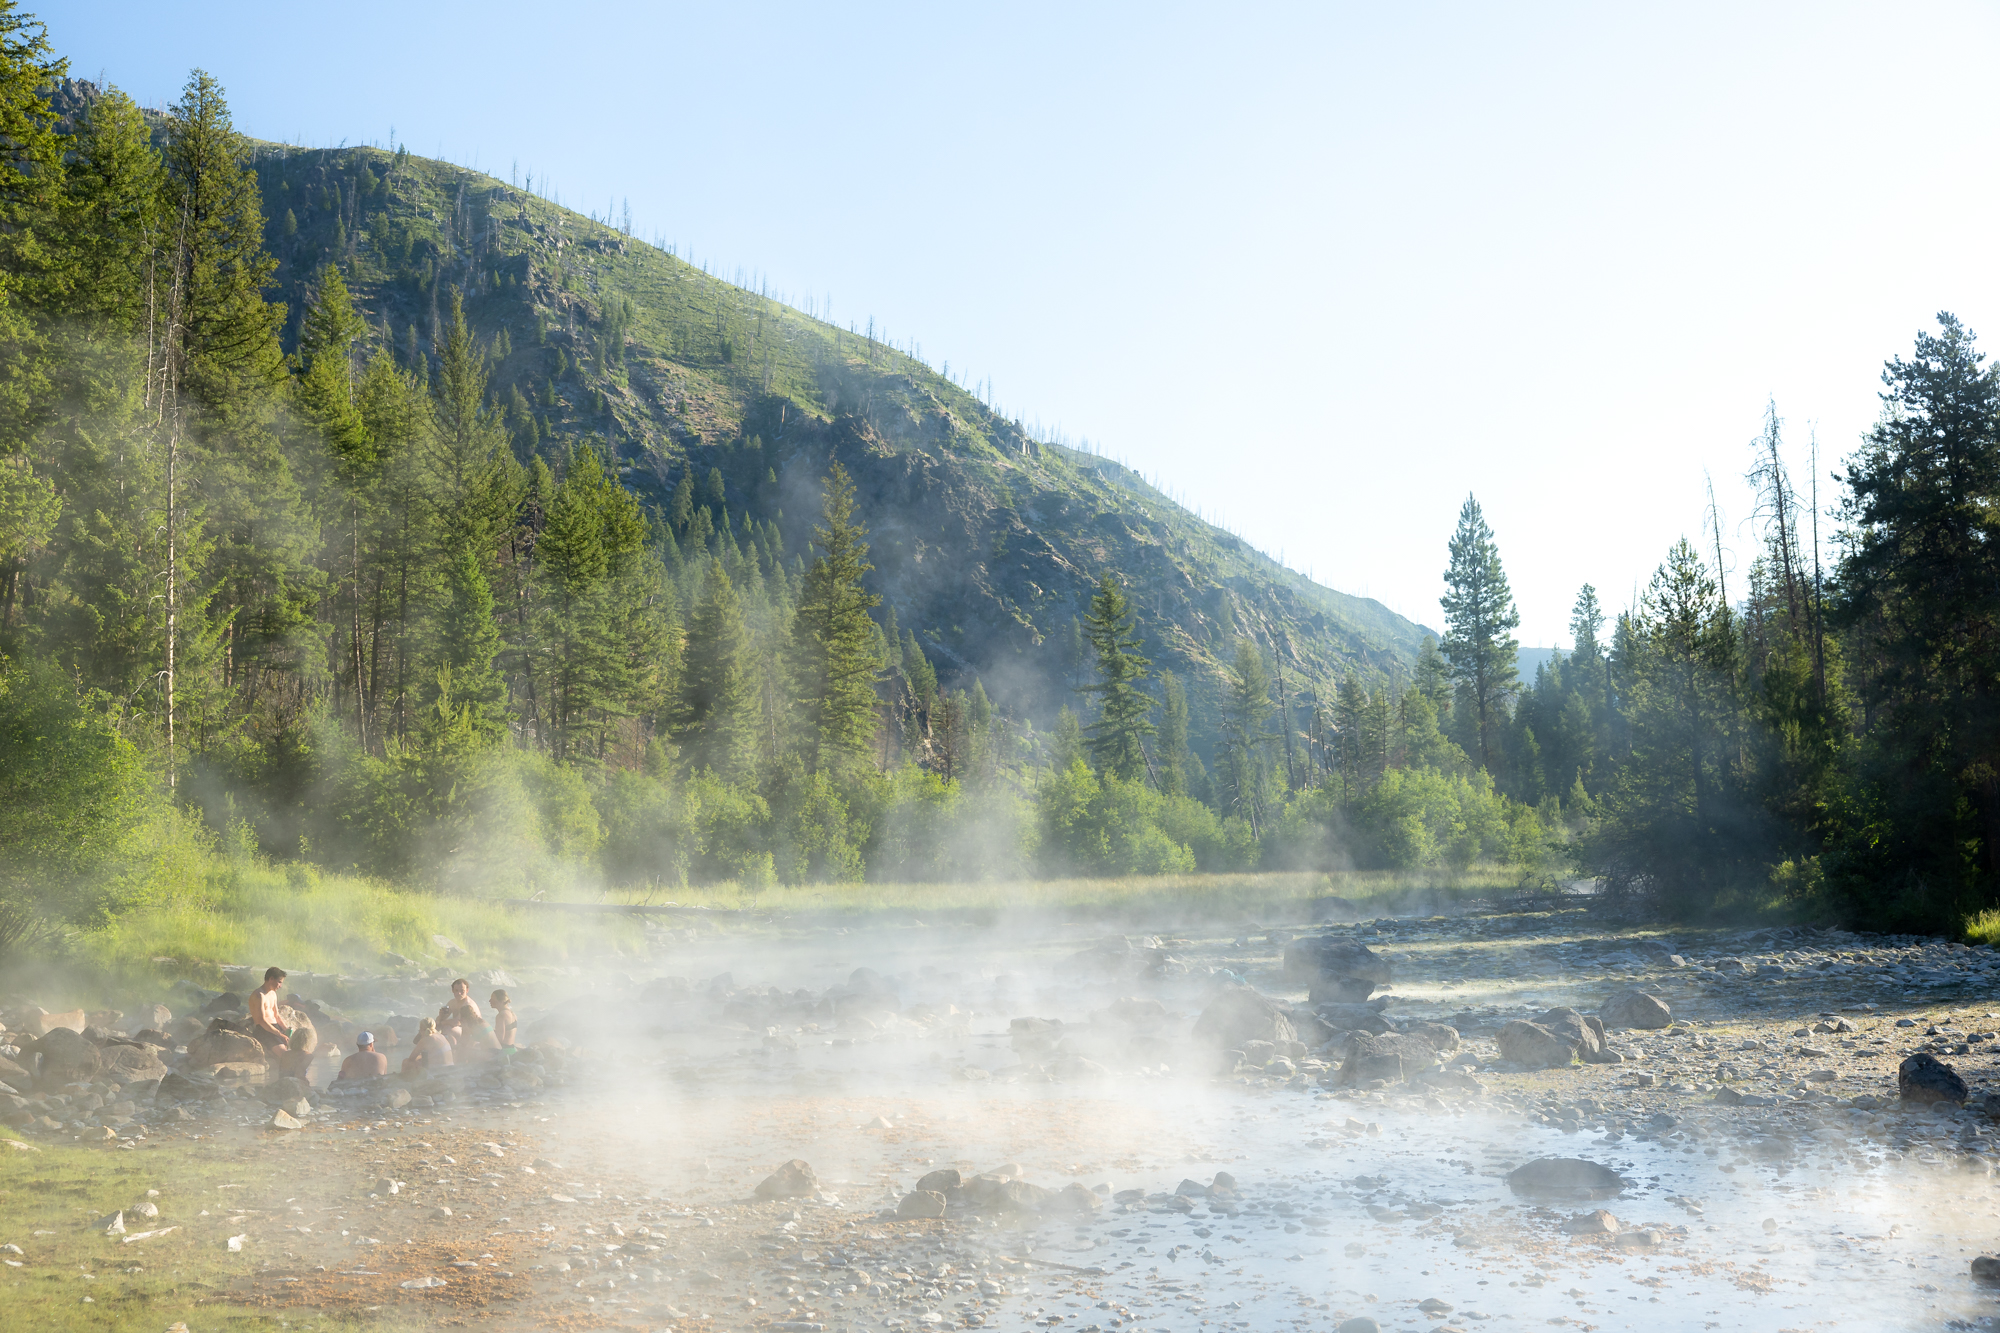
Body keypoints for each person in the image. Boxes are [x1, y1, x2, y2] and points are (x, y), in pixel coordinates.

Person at [437, 979, 482, 1043]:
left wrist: (441, 1023)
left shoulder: (468, 1005)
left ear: (467, 990)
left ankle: (452, 1049)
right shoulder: (451, 1002)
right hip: (461, 1029)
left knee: (448, 1029)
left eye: (462, 991)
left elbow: (457, 1022)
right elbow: (442, 1016)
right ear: (452, 990)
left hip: (472, 1033)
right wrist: (439, 1018)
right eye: (456, 990)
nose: (459, 993)